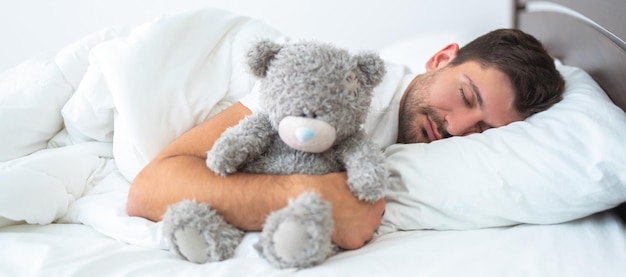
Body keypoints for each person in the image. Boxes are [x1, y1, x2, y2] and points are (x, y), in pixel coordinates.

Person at [127, 29, 564, 250]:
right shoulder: (332, 88)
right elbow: (149, 189)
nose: (457, 127)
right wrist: (310, 196)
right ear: (440, 59)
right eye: (466, 96)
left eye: (484, 130)